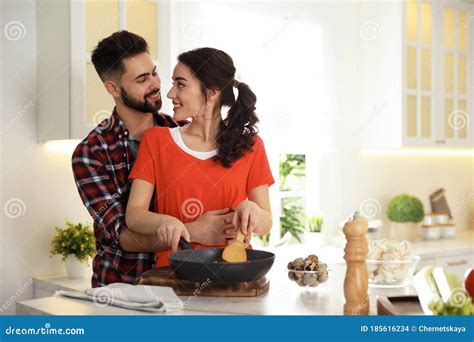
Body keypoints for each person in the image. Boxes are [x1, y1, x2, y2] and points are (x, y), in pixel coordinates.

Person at [72, 32, 237, 287]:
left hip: (180, 284)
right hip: (122, 288)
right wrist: (194, 230)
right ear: (113, 88)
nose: (156, 84)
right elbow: (123, 236)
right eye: (142, 79)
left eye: (154, 72)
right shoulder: (91, 153)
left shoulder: (182, 133)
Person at [126, 47, 274, 267]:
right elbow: (135, 215)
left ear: (212, 92)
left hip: (235, 273)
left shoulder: (251, 147)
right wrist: (169, 222)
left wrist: (252, 211)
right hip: (174, 275)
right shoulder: (157, 140)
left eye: (181, 84)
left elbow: (265, 223)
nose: (170, 94)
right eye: (173, 83)